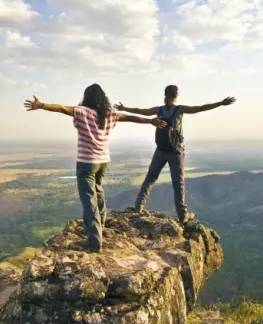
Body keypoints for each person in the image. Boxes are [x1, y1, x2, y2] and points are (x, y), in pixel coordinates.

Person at [24, 84, 165, 252]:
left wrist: (41, 105)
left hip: (87, 162)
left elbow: (62, 108)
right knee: (98, 192)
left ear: (87, 97)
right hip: (103, 161)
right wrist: (150, 121)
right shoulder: (110, 114)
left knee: (88, 200)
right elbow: (130, 117)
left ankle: (94, 241)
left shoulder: (83, 111)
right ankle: (100, 226)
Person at [116, 85, 236, 224]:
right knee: (178, 183)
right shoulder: (179, 110)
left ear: (165, 95)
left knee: (150, 177)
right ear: (176, 96)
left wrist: (124, 108)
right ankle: (183, 215)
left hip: (160, 149)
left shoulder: (158, 110)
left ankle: (138, 206)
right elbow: (200, 108)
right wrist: (220, 103)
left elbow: (139, 111)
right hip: (175, 151)